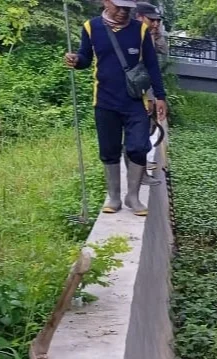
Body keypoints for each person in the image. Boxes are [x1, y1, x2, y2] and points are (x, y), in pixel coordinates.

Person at [65, 0, 167, 217]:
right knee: (109, 150)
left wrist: (160, 96)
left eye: (127, 9)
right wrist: (76, 60)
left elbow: (151, 65)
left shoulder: (140, 29)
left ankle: (133, 196)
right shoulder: (91, 27)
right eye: (118, 7)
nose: (123, 12)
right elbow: (85, 58)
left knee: (138, 147)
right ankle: (114, 197)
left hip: (134, 101)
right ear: (106, 2)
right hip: (104, 101)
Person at [134, 2, 166, 182]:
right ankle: (141, 172)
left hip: (150, 88)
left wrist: (156, 33)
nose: (155, 24)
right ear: (139, 17)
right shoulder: (133, 37)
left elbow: (162, 53)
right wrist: (149, 97)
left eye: (157, 21)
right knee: (138, 131)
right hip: (139, 90)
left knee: (147, 128)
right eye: (151, 20)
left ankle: (143, 169)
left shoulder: (150, 36)